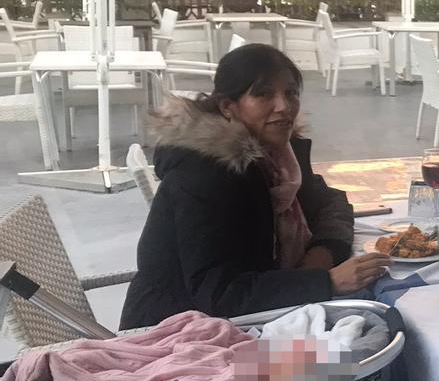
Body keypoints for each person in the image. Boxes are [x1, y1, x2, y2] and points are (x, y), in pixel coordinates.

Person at [121, 44, 391, 329]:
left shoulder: (280, 157)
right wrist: (327, 281)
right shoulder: (207, 174)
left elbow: (331, 203)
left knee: (379, 305)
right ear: (228, 107)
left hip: (254, 312)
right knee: (375, 328)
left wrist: (322, 254)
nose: (284, 106)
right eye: (263, 94)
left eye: (291, 93)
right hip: (178, 332)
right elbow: (220, 293)